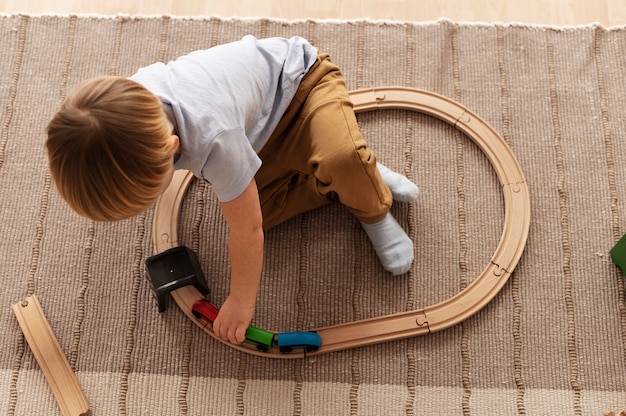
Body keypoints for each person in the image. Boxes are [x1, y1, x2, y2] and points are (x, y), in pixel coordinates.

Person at [46, 35, 419, 346]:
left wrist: (241, 301)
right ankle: (351, 176)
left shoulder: (213, 138)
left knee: (337, 160)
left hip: (303, 89)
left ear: (172, 150)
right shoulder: (125, 108)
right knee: (266, 212)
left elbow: (246, 232)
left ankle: (368, 199)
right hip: (254, 139)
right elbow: (253, 220)